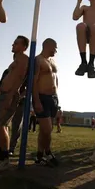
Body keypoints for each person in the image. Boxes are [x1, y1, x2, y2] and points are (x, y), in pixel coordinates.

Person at [0, 36, 29, 171]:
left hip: (10, 95)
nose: (13, 44)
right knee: (1, 126)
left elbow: (19, 78)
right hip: (5, 94)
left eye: (16, 43)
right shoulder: (16, 59)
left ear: (24, 47)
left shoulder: (23, 58)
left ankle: (5, 159)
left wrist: (11, 95)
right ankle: (0, 157)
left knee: (1, 125)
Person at [33, 38, 60, 167]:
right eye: (55, 47)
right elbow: (33, 82)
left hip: (53, 98)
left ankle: (39, 155)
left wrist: (57, 100)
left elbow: (55, 80)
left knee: (44, 130)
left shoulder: (52, 61)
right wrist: (36, 100)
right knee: (47, 129)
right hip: (42, 97)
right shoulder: (38, 60)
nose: (56, 50)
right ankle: (48, 153)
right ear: (48, 46)